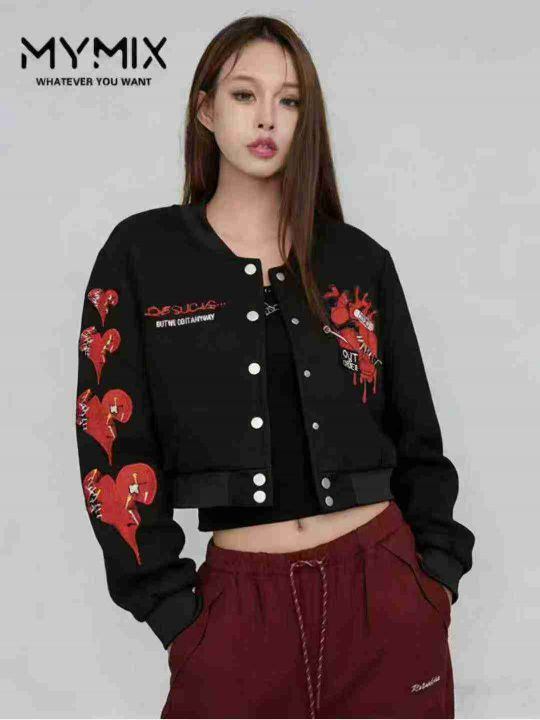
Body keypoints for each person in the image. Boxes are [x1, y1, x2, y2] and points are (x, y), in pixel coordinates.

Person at [74, 15, 475, 720]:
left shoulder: (359, 261)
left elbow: (418, 436)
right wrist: (173, 612)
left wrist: (432, 583)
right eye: (244, 95)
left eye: (289, 100)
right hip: (238, 618)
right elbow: (110, 445)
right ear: (206, 110)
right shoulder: (142, 256)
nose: (267, 118)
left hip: (385, 602)